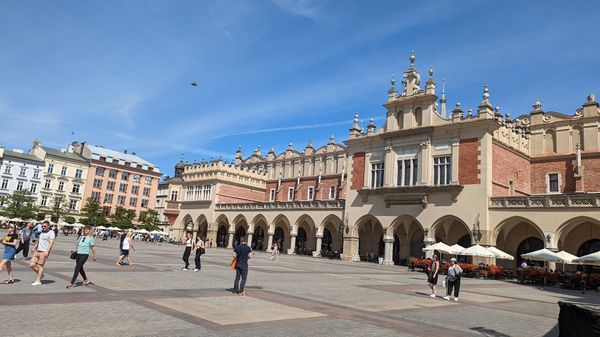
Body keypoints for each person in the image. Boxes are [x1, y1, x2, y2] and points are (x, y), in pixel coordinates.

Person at [29, 220, 55, 286]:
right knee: (31, 265)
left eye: (45, 226)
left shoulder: (51, 232)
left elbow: (51, 242)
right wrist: (34, 248)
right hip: (38, 251)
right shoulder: (41, 232)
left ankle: (38, 281)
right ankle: (41, 275)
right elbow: (38, 241)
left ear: (48, 226)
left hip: (44, 252)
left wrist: (47, 251)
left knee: (40, 266)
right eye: (42, 226)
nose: (43, 227)